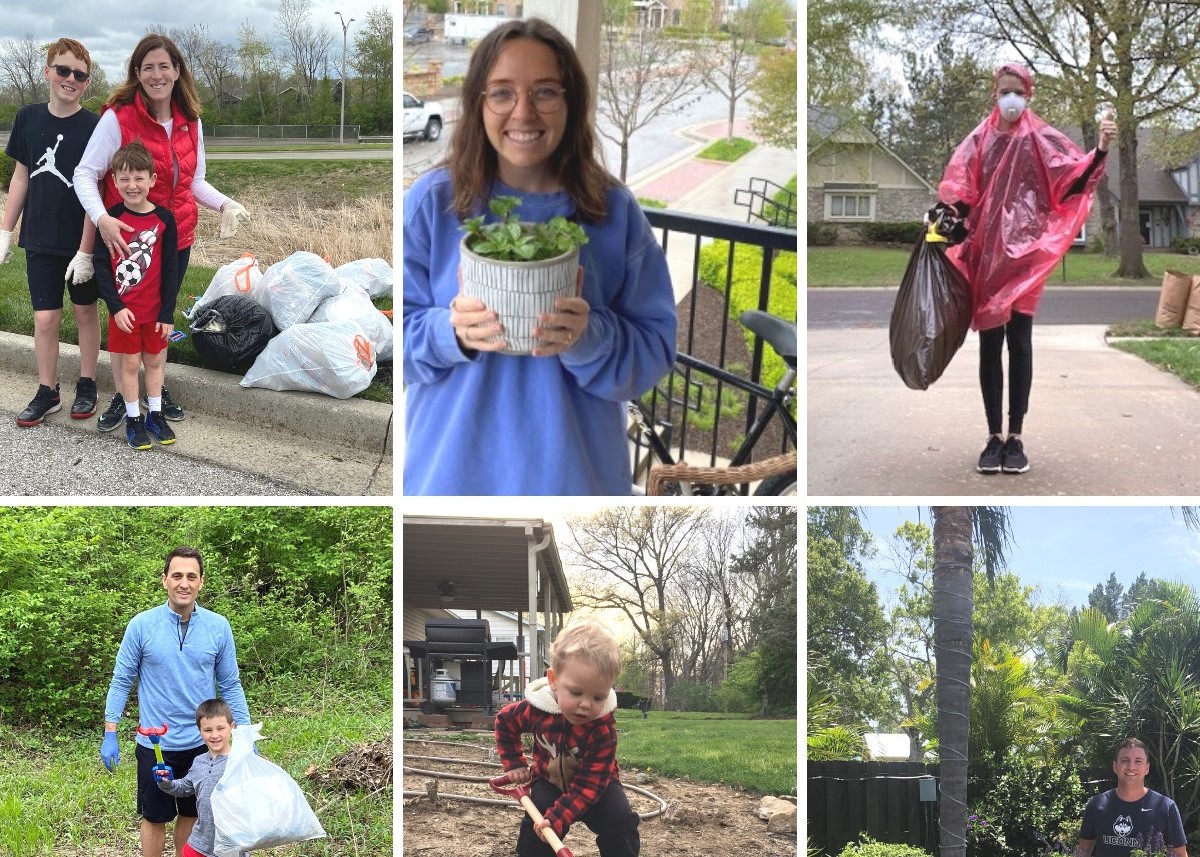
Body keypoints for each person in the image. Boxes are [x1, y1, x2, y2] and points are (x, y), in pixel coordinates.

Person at [402, 17, 677, 495]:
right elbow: (388, 338)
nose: (523, 112)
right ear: (478, 103)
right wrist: (448, 332)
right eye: (502, 92)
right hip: (451, 479)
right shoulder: (433, 202)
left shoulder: (613, 211)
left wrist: (589, 336)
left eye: (546, 91)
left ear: (571, 101)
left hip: (576, 481)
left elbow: (654, 350)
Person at [932, 63, 1117, 476]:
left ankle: (1015, 438)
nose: (1010, 99)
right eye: (1004, 91)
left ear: (1027, 94)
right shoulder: (977, 140)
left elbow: (1070, 181)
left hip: (1027, 255)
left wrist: (1101, 150)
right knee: (990, 344)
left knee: (1020, 342)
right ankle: (992, 437)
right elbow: (960, 190)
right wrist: (946, 217)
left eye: (1017, 91)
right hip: (988, 256)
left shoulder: (1041, 138)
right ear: (994, 94)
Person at [74, 33, 251, 431]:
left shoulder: (190, 119)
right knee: (126, 321)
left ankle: (154, 391)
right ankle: (124, 396)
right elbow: (85, 173)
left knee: (158, 319)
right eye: (148, 67)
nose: (157, 74)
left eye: (164, 66)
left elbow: (195, 180)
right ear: (138, 73)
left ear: (177, 71)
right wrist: (103, 218)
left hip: (176, 238)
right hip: (129, 239)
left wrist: (225, 203)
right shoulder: (119, 117)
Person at [101, 546, 252, 857]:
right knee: (154, 816)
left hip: (203, 745)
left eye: (191, 576)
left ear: (201, 582)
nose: (184, 583)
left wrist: (247, 734)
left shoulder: (218, 627)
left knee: (193, 815)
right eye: (177, 575)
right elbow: (121, 681)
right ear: (165, 580)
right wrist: (110, 732)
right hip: (155, 744)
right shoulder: (142, 625)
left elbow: (230, 684)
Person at [0, 37, 101, 426]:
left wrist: (87, 251)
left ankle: (88, 382)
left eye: (79, 74)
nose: (70, 78)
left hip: (80, 241)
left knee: (84, 311)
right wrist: (6, 230)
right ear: (47, 72)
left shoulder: (94, 127)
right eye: (63, 70)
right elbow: (21, 177)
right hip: (40, 239)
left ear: (86, 82)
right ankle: (48, 390)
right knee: (45, 319)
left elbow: (97, 191)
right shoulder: (27, 118)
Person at [495, 618, 639, 857]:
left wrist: (559, 817)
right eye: (576, 692)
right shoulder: (535, 710)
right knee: (537, 826)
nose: (586, 705)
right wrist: (515, 763)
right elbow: (505, 723)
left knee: (620, 822)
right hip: (549, 780)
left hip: (597, 787)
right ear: (554, 680)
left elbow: (589, 785)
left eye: (598, 697)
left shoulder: (602, 729)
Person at [93, 141, 179, 450]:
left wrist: (167, 313)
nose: (132, 185)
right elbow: (101, 267)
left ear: (152, 180)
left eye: (139, 177)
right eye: (125, 178)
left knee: (154, 362)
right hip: (125, 313)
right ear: (114, 181)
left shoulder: (165, 220)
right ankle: (133, 419)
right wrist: (115, 307)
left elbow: (170, 271)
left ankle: (155, 415)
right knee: (129, 366)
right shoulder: (110, 220)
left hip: (155, 313)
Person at [153, 699, 243, 857]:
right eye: (208, 730)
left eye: (220, 728)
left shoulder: (240, 762)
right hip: (198, 844)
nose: (214, 735)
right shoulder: (199, 761)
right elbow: (185, 787)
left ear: (232, 727)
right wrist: (166, 782)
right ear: (199, 731)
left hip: (230, 846)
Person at [1076, 738, 1187, 857]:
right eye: (1124, 760)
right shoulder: (1096, 804)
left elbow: (1179, 854)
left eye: (1138, 761)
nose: (1131, 767)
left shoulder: (1166, 807)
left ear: (1147, 768)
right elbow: (1083, 850)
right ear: (1115, 766)